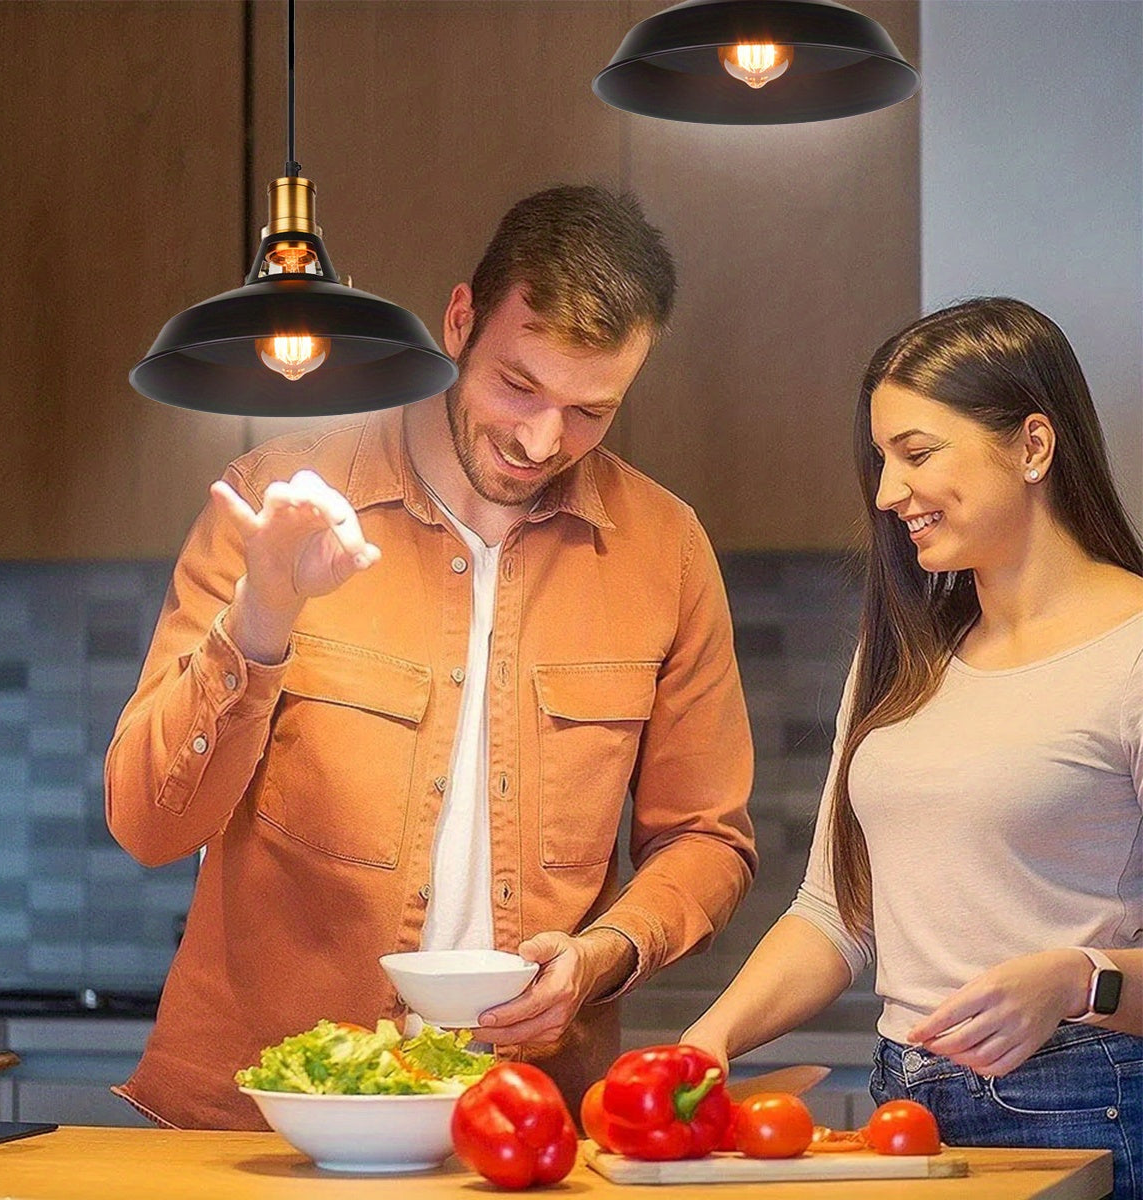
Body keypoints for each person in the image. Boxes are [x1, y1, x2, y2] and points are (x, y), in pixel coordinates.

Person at [105, 184, 757, 1129]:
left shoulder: (666, 548)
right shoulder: (276, 502)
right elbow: (144, 825)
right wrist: (264, 616)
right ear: (460, 321)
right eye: (519, 386)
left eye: (590, 412)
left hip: (523, 1128)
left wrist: (604, 953)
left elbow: (707, 838)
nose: (542, 440)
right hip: (259, 1127)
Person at [683, 297, 1143, 1199]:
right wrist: (711, 1039)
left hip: (1085, 1108)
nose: (889, 492)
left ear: (1033, 447)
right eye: (882, 458)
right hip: (909, 1111)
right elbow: (837, 912)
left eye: (916, 452)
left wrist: (1077, 978)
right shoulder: (905, 652)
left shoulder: (1132, 650)